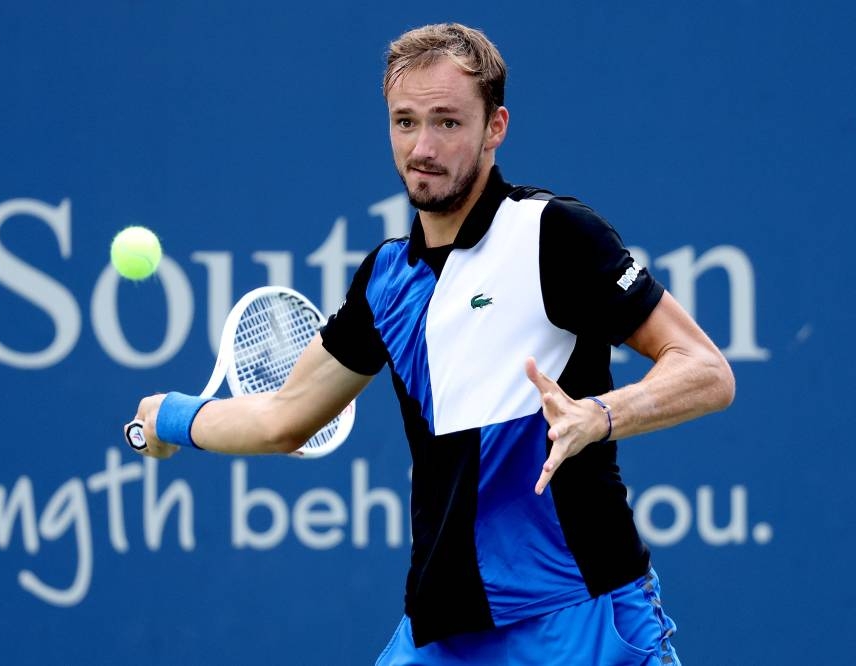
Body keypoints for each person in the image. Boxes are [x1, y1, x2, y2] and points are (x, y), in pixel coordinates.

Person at [130, 22, 734, 666]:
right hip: (445, 629)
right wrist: (170, 416)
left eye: (447, 122)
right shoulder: (386, 280)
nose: (423, 146)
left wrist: (602, 416)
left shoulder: (553, 235)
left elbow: (706, 370)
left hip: (577, 614)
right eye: (405, 121)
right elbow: (283, 419)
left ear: (494, 127)